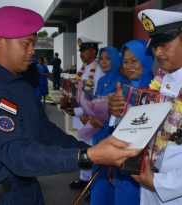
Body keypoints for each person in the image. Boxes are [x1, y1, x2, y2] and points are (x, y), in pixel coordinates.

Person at [0, 6, 139, 205]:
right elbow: (18, 154)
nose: (32, 51)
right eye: (26, 43)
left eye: (34, 43)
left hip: (28, 191)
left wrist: (93, 151)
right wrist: (87, 155)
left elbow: (45, 132)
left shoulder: (20, 86)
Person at [110, 9, 182, 205]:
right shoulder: (161, 80)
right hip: (149, 189)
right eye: (155, 46)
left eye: (164, 45)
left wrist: (160, 182)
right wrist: (119, 112)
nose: (158, 52)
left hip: (180, 195)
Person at [108, 39, 155, 205]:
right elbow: (117, 128)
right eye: (125, 61)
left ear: (146, 60)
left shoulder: (156, 90)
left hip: (140, 168)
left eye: (134, 61)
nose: (129, 66)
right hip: (123, 162)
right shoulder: (126, 87)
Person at [90, 46, 129, 205]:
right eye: (101, 58)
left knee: (110, 179)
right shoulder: (101, 80)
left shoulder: (123, 82)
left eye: (108, 58)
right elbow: (95, 104)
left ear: (115, 59)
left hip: (112, 136)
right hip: (98, 133)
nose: (104, 61)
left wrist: (104, 122)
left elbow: (123, 115)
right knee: (98, 177)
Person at [66, 37, 105, 191]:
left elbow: (98, 98)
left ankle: (91, 184)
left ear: (93, 51)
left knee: (91, 150)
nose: (81, 54)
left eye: (84, 51)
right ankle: (84, 178)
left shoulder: (99, 70)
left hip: (91, 117)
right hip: (81, 114)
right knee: (83, 148)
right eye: (80, 51)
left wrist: (87, 114)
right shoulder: (84, 68)